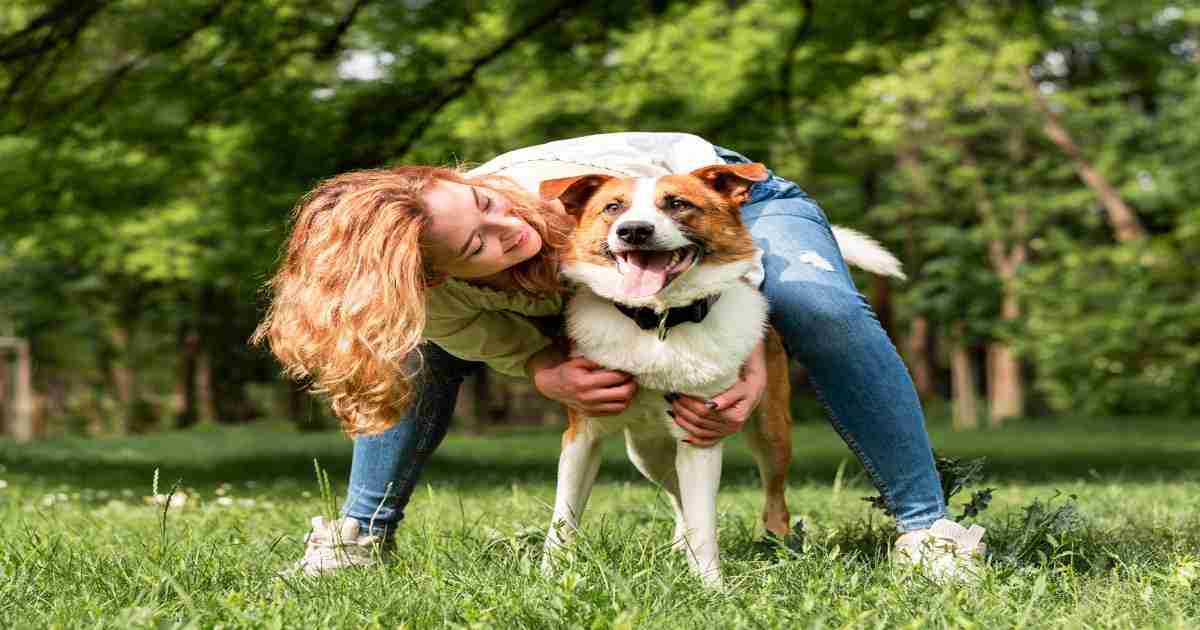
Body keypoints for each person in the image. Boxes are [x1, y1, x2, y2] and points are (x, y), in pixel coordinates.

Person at [253, 132, 985, 581]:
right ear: (438, 275)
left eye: (484, 203)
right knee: (408, 346)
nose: (505, 227)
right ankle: (358, 534)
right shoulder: (438, 295)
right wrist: (545, 369)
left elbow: (704, 197)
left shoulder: (564, 176)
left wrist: (754, 353)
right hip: (633, 268)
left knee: (818, 305)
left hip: (726, 203)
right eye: (477, 245)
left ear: (462, 179)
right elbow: (502, 345)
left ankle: (928, 529)